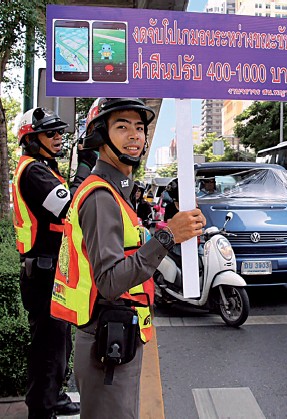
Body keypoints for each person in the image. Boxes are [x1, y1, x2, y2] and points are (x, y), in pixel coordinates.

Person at [50, 98, 206, 419]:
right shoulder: (100, 197)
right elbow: (110, 282)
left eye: (139, 127)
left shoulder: (117, 192)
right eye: (122, 127)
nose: (135, 135)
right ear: (99, 137)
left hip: (117, 339)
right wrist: (167, 236)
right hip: (106, 342)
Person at [12, 107, 97, 419]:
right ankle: (42, 408)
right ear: (32, 140)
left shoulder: (44, 169)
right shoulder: (33, 172)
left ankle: (55, 396)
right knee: (47, 346)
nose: (60, 137)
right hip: (42, 272)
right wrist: (86, 170)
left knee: (59, 341)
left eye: (60, 132)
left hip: (51, 269)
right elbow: (69, 207)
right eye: (51, 133)